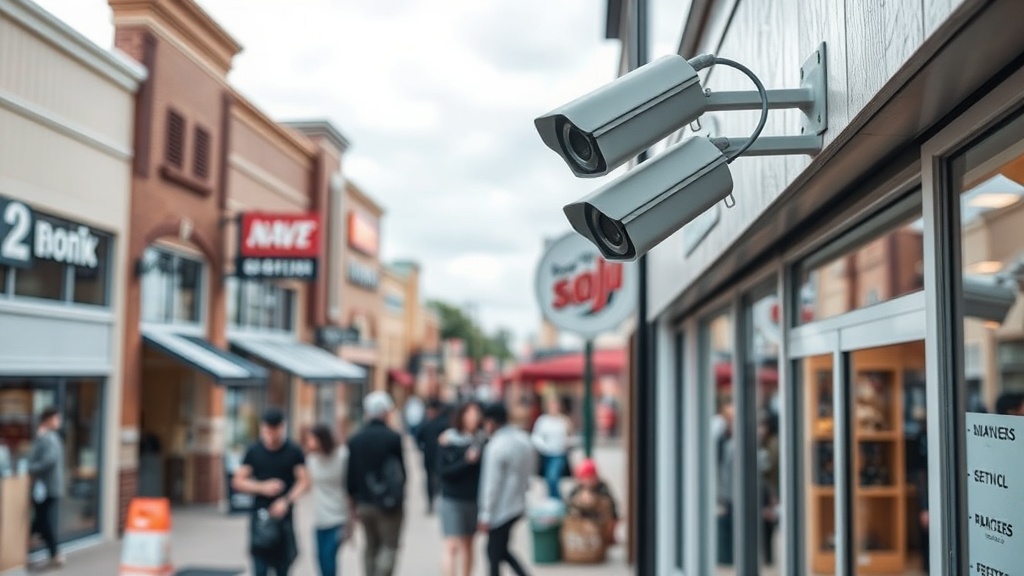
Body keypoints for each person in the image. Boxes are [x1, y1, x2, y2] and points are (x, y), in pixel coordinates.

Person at [232, 407, 310, 576]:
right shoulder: (254, 451)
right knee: (260, 568)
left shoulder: (293, 451)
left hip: (283, 518)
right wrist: (262, 487)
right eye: (266, 432)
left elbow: (304, 482)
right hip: (260, 517)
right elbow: (238, 481)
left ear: (282, 428)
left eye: (273, 432)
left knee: (283, 568)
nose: (269, 437)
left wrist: (286, 501)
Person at [347, 391, 406, 576]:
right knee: (389, 545)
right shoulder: (393, 437)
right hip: (389, 503)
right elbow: (401, 472)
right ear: (385, 412)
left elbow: (350, 476)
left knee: (370, 546)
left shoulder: (355, 439)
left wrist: (352, 504)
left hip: (364, 502)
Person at [478, 402, 534, 576]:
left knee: (494, 553)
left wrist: (485, 514)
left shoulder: (495, 447)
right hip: (517, 503)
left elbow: (491, 485)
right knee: (499, 550)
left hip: (500, 509)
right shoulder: (523, 440)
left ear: (492, 422)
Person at [437, 401, 486, 576]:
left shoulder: (482, 440)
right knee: (452, 544)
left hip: (473, 499)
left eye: (476, 413)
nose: (473, 417)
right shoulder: (448, 440)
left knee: (468, 543)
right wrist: (466, 461)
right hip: (451, 498)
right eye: (469, 413)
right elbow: (442, 471)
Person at [302, 424, 351, 576]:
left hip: (339, 517)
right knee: (320, 560)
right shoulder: (311, 460)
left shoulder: (343, 456)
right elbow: (306, 484)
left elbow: (352, 486)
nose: (308, 443)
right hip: (320, 518)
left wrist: (352, 519)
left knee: (329, 559)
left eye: (311, 439)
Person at [27, 406, 65, 570]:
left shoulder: (47, 437)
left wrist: (31, 468)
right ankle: (51, 553)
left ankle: (54, 553)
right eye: (57, 418)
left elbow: (49, 460)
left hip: (46, 486)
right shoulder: (48, 436)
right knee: (40, 519)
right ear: (48, 420)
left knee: (42, 520)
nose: (59, 422)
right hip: (47, 486)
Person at [564, 458, 619, 548]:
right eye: (584, 478)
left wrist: (595, 499)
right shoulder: (577, 489)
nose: (588, 481)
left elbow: (612, 507)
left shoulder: (602, 487)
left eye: (590, 478)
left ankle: (608, 538)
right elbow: (568, 505)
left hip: (599, 520)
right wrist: (580, 500)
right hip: (582, 521)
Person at [530, 397, 572, 499]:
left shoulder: (564, 421)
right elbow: (536, 436)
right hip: (547, 453)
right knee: (549, 478)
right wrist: (543, 446)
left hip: (559, 453)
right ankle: (553, 498)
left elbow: (569, 436)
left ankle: (556, 499)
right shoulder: (543, 421)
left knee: (553, 477)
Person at [415, 399, 450, 514]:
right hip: (436, 457)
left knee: (433, 480)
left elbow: (418, 439)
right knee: (435, 480)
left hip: (433, 456)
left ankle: (433, 502)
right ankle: (434, 501)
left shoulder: (427, 424)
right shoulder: (444, 423)